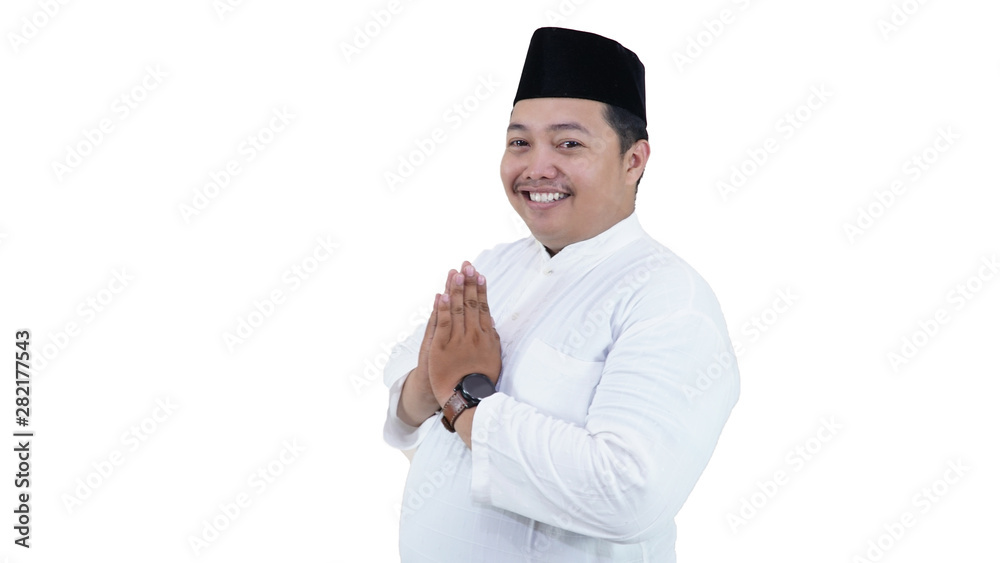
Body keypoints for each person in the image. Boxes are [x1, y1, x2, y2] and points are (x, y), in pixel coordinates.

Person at [382, 26, 740, 562]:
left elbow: (628, 494)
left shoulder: (667, 301)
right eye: (519, 142)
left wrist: (461, 393)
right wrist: (430, 386)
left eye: (569, 143)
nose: (536, 167)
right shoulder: (492, 268)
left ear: (634, 160)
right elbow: (405, 401)